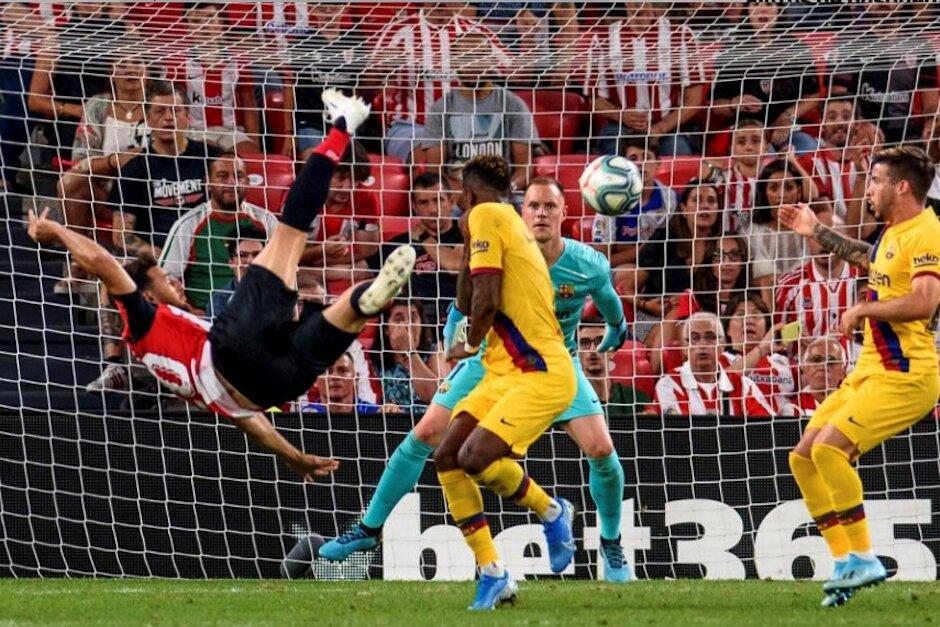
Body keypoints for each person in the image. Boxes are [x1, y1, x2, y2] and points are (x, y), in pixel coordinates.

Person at [26, 89, 417, 475]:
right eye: (164, 279)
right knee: (288, 236)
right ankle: (342, 125)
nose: (174, 284)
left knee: (344, 313)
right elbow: (102, 260)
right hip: (229, 352)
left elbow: (245, 418)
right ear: (144, 293)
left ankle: (369, 299)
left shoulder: (162, 349)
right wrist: (55, 230)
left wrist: (293, 457)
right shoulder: (140, 320)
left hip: (270, 389)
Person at [320, 175, 632, 591]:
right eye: (534, 206)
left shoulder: (587, 262)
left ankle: (610, 543)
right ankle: (367, 528)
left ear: (564, 213)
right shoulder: (502, 248)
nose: (541, 213)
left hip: (556, 362)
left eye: (550, 206)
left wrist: (617, 328)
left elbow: (608, 298)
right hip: (490, 358)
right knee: (427, 432)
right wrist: (453, 348)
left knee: (601, 449)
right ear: (521, 214)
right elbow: (461, 305)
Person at [779, 145, 940, 606]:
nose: (867, 190)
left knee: (830, 450)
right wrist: (817, 232)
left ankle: (865, 557)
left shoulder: (928, 233)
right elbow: (873, 263)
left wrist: (863, 308)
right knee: (804, 458)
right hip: (871, 370)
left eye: (874, 181)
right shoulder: (894, 231)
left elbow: (926, 301)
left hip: (906, 374)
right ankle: (845, 563)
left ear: (901, 186)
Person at [370, 3, 510, 163]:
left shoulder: (476, 33)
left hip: (468, 128)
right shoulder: (398, 32)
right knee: (429, 157)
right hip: (412, 127)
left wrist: (529, 38)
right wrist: (380, 69)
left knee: (492, 161)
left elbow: (518, 75)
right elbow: (366, 85)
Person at [578, 1, 707, 157]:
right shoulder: (603, 38)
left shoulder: (681, 35)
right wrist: (621, 115)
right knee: (614, 152)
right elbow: (594, 99)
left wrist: (660, 128)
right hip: (620, 125)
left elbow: (693, 100)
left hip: (668, 127)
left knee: (677, 154)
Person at [107, 81, 222, 254]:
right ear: (147, 118)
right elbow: (121, 236)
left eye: (175, 111)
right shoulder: (133, 170)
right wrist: (163, 256)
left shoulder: (212, 157)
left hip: (210, 252)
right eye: (159, 111)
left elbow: (235, 209)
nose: (168, 117)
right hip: (158, 263)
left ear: (188, 116)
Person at [421, 30, 537, 191]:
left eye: (480, 56)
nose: (474, 64)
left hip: (504, 194)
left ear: (491, 61)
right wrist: (466, 198)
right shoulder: (440, 109)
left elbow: (525, 168)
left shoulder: (514, 105)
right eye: (466, 58)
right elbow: (435, 172)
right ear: (453, 63)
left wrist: (504, 192)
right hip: (457, 197)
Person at [159, 155, 278, 311]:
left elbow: (284, 270)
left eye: (239, 176)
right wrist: (189, 310)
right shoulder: (188, 225)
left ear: (247, 183)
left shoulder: (266, 221)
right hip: (202, 317)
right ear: (208, 183)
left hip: (256, 313)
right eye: (223, 176)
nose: (232, 182)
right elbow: (164, 279)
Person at [59, 54, 150, 239]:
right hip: (110, 195)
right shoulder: (98, 105)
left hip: (157, 191)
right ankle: (79, 257)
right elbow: (80, 162)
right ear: (112, 72)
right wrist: (114, 161)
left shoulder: (161, 103)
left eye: (137, 62)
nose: (131, 69)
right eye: (123, 63)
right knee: (71, 181)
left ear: (147, 71)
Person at [365, 172, 464, 320]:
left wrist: (423, 237)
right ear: (414, 207)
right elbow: (360, 269)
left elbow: (454, 265)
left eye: (438, 200)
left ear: (451, 202)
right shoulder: (401, 243)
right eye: (423, 203)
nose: (432, 209)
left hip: (461, 316)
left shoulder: (466, 233)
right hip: (419, 322)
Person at [165, 2, 260, 153]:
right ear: (187, 27)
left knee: (248, 151)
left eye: (210, 18)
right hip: (194, 132)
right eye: (196, 21)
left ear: (221, 23)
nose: (204, 26)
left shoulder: (238, 61)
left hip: (231, 132)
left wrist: (255, 143)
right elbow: (171, 108)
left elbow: (249, 105)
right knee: (208, 150)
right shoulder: (177, 63)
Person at [775, 211, 862, 361]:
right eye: (817, 236)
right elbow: (776, 339)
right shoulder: (789, 285)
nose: (824, 243)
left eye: (831, 236)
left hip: (858, 370)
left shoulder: (865, 279)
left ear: (846, 240)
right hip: (805, 377)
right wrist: (796, 340)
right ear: (807, 239)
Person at [653, 312, 773, 417]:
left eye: (710, 337)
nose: (702, 344)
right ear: (685, 348)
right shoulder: (669, 385)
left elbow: (767, 429)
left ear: (722, 346)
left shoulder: (744, 386)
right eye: (694, 338)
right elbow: (678, 434)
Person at [591, 138, 677, 268]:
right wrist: (646, 249)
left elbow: (672, 250)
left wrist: (623, 249)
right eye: (633, 158)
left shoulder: (670, 199)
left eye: (647, 157)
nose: (640, 163)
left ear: (658, 163)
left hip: (658, 268)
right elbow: (600, 262)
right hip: (620, 270)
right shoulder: (609, 201)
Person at [746, 157, 820, 302]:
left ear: (799, 192)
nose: (782, 195)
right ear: (764, 193)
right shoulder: (750, 233)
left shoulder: (812, 228)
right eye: (774, 188)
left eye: (789, 187)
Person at [721, 292, 795, 414]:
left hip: (783, 428)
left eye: (756, 315)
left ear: (767, 326)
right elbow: (723, 382)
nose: (748, 320)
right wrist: (762, 349)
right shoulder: (720, 360)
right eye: (740, 315)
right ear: (727, 329)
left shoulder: (783, 362)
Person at [370, 299, 443, 411]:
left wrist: (408, 352)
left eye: (413, 318)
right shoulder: (374, 360)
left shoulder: (434, 351)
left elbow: (441, 397)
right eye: (399, 319)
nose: (408, 325)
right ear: (386, 329)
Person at [579, 322, 654, 415]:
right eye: (584, 343)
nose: (593, 350)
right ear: (576, 353)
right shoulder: (568, 402)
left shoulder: (636, 398)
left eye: (600, 342)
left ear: (612, 351)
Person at [300, 352, 385, 415]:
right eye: (327, 371)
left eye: (342, 371)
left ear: (356, 378)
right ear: (315, 380)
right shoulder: (306, 418)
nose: (335, 376)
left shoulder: (376, 414)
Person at [781, 338, 848, 417]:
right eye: (816, 360)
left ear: (842, 372)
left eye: (831, 362)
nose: (823, 367)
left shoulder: (854, 405)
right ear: (804, 368)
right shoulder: (792, 410)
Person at [208, 229, 264, 319]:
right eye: (242, 255)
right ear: (231, 262)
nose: (251, 260)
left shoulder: (281, 291)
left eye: (257, 254)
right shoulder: (219, 300)